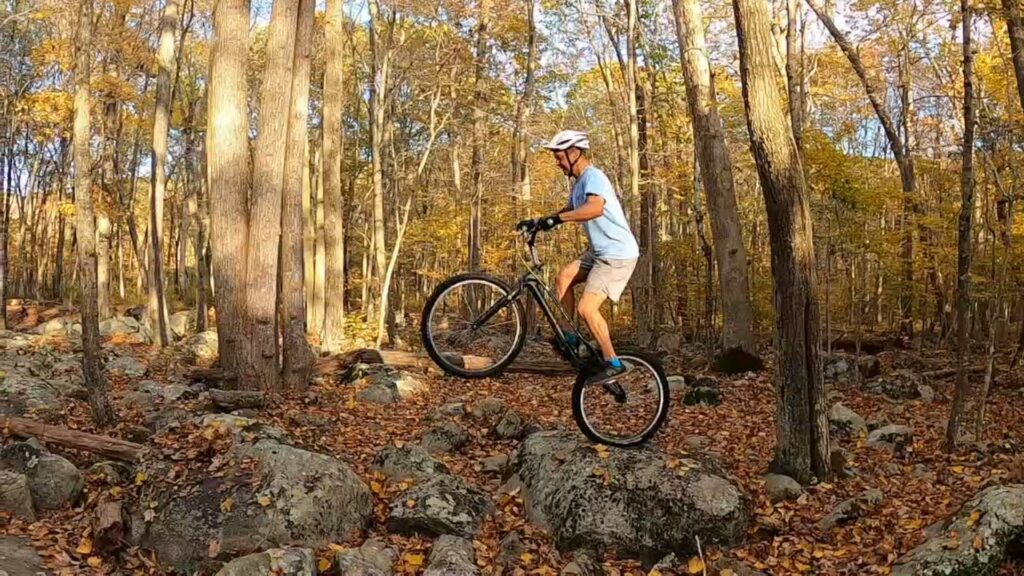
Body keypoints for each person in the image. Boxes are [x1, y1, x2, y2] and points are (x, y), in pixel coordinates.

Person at [519, 129, 640, 386]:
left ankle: (613, 362)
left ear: (574, 153)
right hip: (599, 252)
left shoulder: (593, 176)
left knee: (587, 308)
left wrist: (558, 218)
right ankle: (570, 340)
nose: (557, 161)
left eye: (559, 156)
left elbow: (595, 208)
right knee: (564, 276)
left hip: (617, 254)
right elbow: (570, 209)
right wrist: (540, 222)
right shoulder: (580, 184)